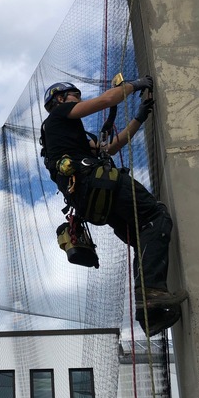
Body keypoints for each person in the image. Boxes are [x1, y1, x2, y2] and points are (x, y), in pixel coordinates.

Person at [40, 77, 186, 336]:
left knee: (143, 236)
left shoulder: (62, 138)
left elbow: (111, 147)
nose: (79, 99)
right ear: (59, 100)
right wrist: (135, 84)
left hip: (90, 200)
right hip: (99, 185)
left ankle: (150, 314)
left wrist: (140, 117)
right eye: (74, 95)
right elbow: (108, 100)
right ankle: (151, 295)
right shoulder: (59, 116)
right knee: (155, 217)